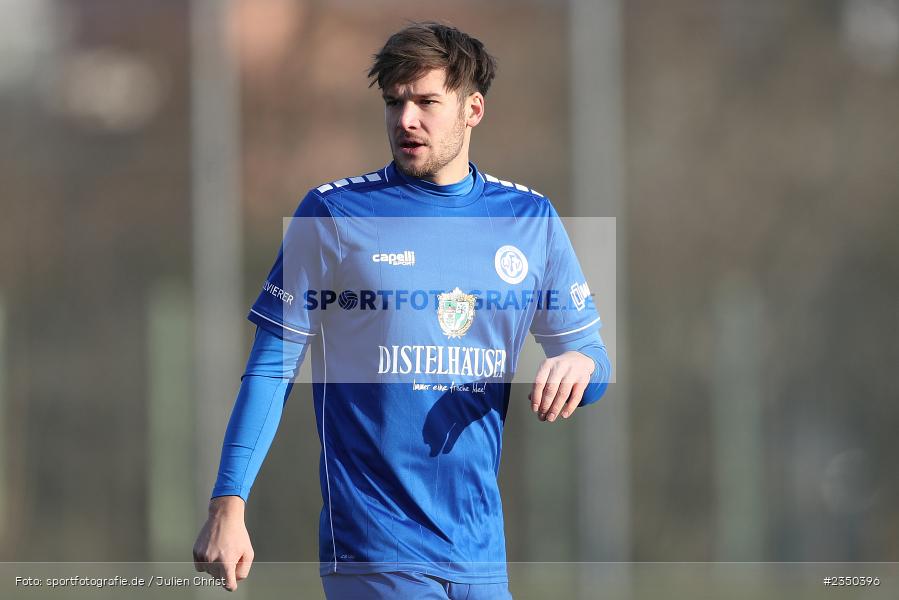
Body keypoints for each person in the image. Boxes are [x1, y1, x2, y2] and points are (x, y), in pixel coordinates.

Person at [193, 22, 611, 600]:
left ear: (473, 110)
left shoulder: (529, 219)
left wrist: (582, 366)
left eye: (426, 102)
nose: (405, 119)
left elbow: (593, 360)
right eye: (394, 102)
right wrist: (228, 503)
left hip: (480, 556)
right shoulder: (333, 214)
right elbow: (271, 369)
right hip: (375, 550)